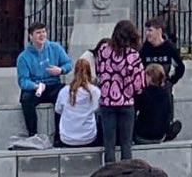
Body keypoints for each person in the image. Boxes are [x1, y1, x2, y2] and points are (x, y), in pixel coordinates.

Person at [95, 20, 146, 163]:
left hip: (107, 102)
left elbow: (99, 71)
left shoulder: (103, 50)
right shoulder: (133, 55)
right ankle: (127, 170)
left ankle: (109, 170)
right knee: (126, 143)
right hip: (126, 102)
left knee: (109, 143)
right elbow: (139, 84)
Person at [16, 22, 72, 137]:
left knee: (65, 94)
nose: (42, 35)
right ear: (31, 36)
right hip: (36, 87)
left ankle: (60, 135)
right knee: (26, 99)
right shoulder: (23, 57)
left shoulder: (55, 48)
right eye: (38, 33)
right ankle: (33, 134)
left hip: (53, 85)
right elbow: (23, 81)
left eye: (43, 32)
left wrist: (60, 70)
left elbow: (68, 63)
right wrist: (35, 86)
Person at [139, 18, 184, 123]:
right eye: (146, 30)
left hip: (164, 88)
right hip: (148, 89)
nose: (147, 33)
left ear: (159, 30)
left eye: (150, 30)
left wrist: (171, 81)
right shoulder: (145, 48)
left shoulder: (169, 47)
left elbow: (180, 67)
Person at [53, 58, 101, 147]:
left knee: (59, 111)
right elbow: (97, 109)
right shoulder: (95, 91)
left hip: (67, 139)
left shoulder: (64, 91)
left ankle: (56, 139)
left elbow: (58, 110)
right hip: (89, 138)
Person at [134, 64, 181, 143]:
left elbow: (134, 110)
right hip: (160, 136)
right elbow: (168, 114)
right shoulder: (166, 95)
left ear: (149, 77)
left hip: (141, 136)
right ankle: (168, 133)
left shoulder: (143, 94)